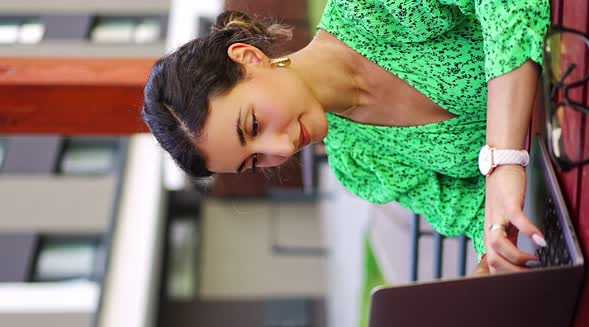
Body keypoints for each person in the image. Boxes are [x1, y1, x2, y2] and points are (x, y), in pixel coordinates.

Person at [142, 0, 550, 275]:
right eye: (254, 161)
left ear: (249, 58)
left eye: (252, 126)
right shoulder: (357, 162)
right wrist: (492, 256)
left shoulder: (367, 9)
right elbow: (476, 211)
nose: (282, 149)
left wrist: (504, 157)